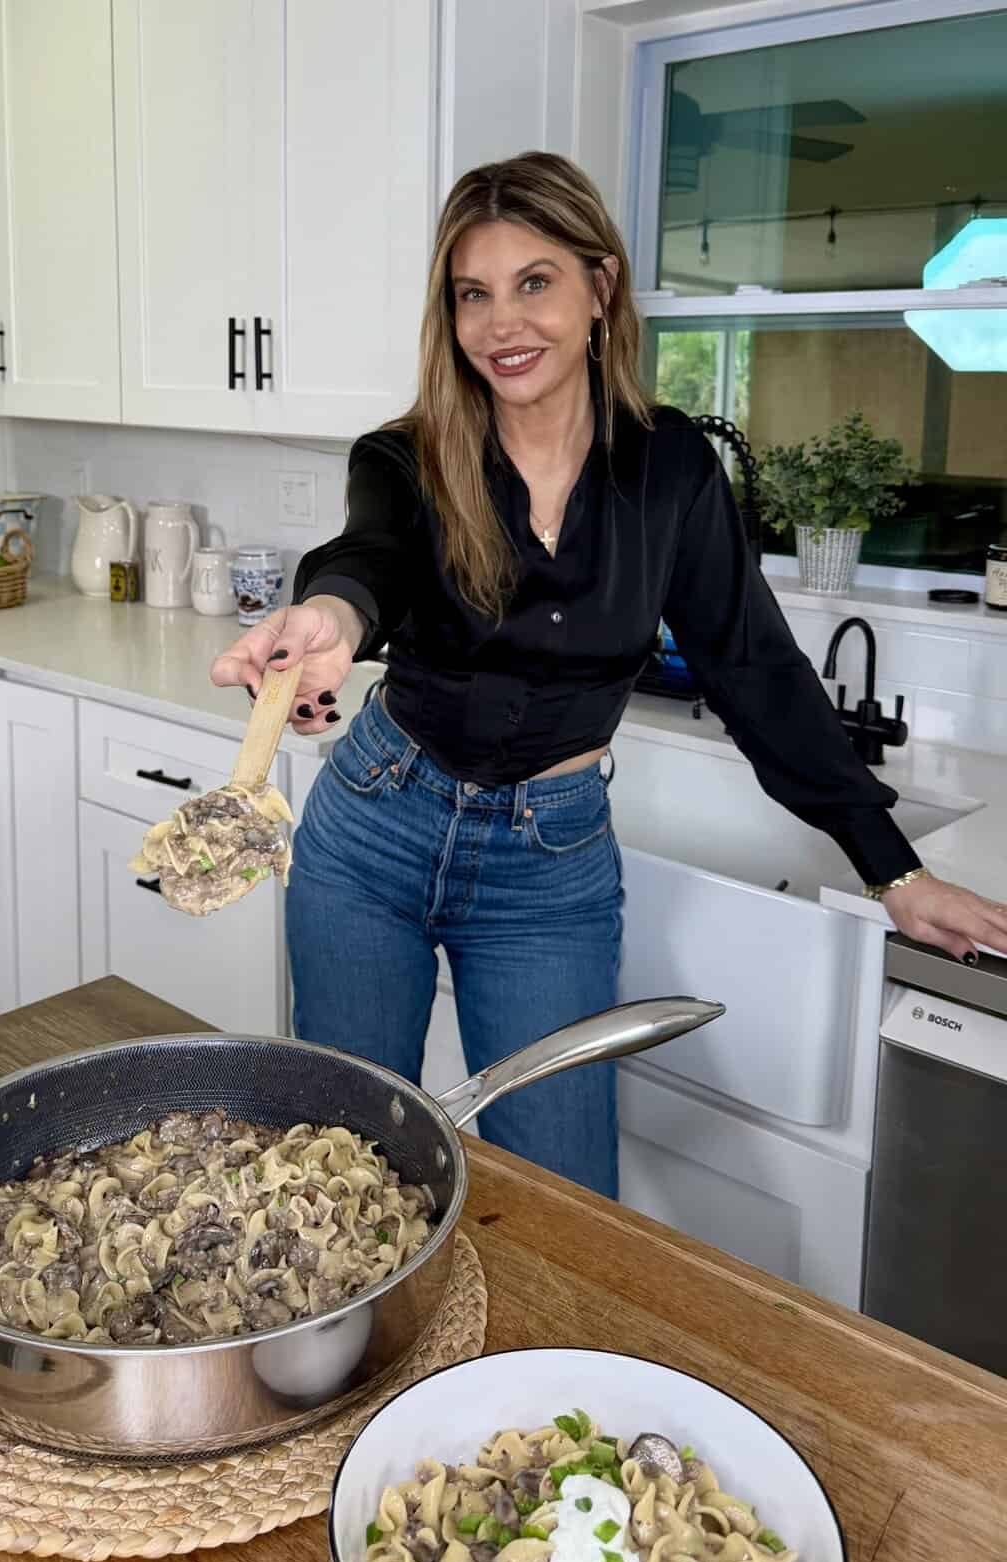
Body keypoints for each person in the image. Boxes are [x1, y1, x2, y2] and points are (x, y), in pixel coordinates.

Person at [211, 151, 1007, 1198]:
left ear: (601, 287)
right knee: (348, 1167)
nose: (504, 325)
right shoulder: (406, 457)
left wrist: (890, 867)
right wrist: (329, 618)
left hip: (548, 866)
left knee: (565, 1188)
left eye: (534, 282)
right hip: (374, 827)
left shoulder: (669, 469)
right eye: (474, 295)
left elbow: (751, 665)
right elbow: (370, 560)